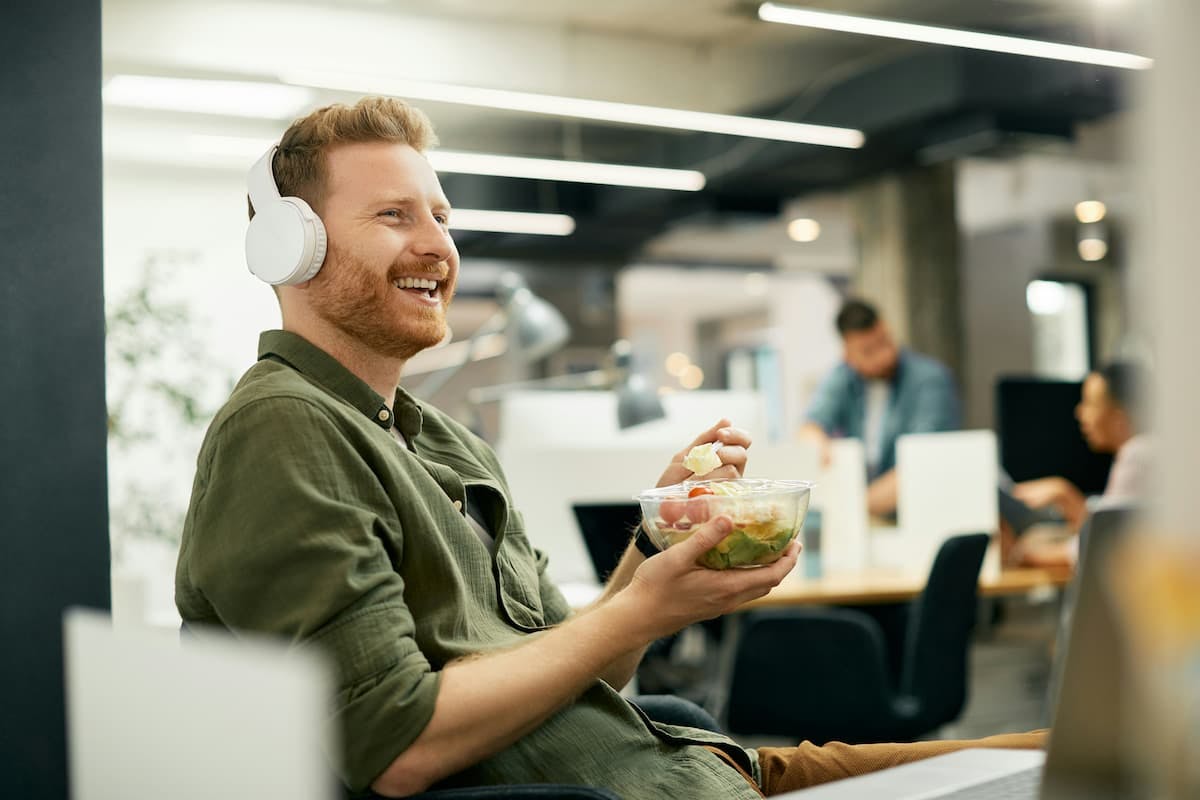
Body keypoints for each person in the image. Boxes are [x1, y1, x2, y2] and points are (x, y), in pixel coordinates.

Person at [175, 97, 1043, 799]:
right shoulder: (284, 428)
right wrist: (642, 608)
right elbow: (390, 746)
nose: (439, 245)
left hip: (703, 769)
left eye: (440, 215)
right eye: (394, 216)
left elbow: (587, 663)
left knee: (1068, 755)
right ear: (290, 247)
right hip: (649, 791)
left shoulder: (442, 440)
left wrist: (653, 545)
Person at [799, 299, 960, 517]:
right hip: (866, 511)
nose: (883, 356)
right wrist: (817, 444)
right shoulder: (843, 378)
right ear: (847, 354)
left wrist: (852, 509)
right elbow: (811, 427)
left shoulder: (930, 380)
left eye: (884, 342)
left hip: (920, 509)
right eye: (868, 351)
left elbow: (921, 462)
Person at [1011, 361, 1151, 567]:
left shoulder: (1137, 454)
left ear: (1119, 417)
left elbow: (1101, 546)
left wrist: (1022, 554)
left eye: (1089, 403)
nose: (1080, 413)